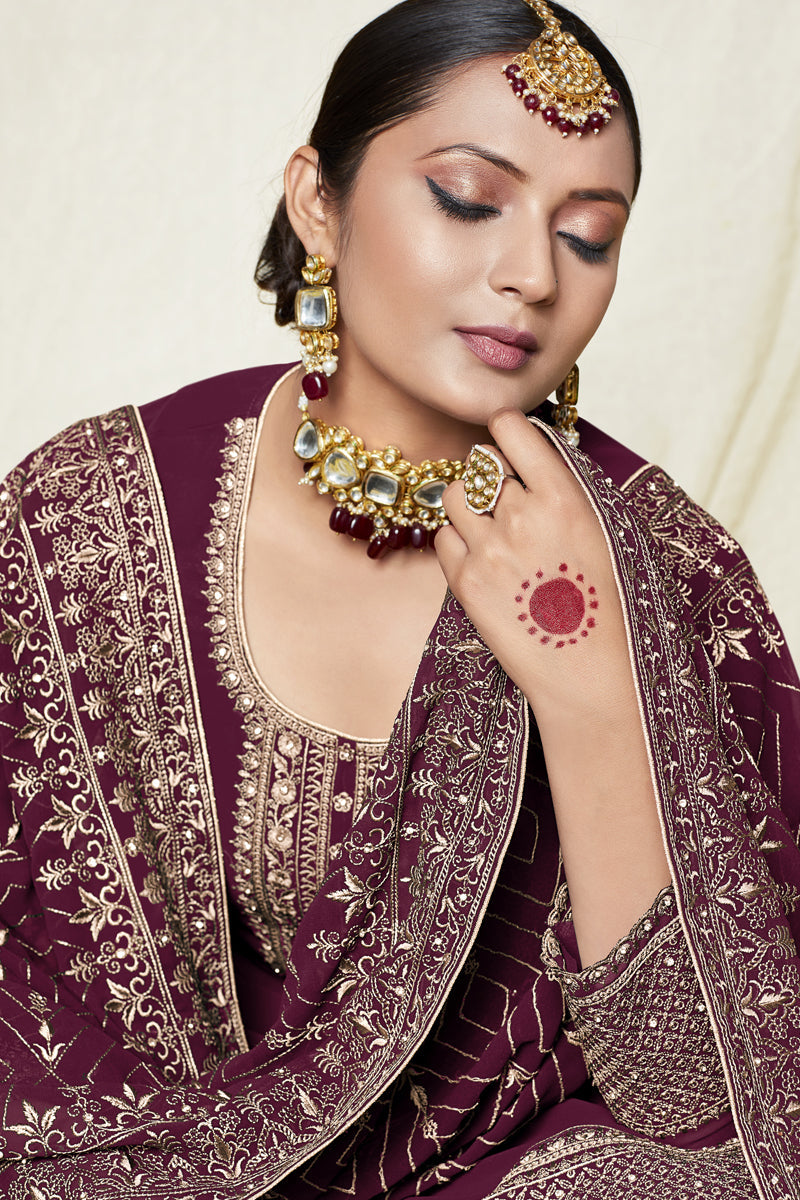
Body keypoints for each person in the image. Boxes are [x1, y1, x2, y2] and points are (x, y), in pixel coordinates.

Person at [0, 0, 797, 1196]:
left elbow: (711, 1108)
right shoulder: (87, 520)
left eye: (586, 236)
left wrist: (591, 692)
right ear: (317, 202)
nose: (531, 275)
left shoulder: (664, 567)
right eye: (469, 200)